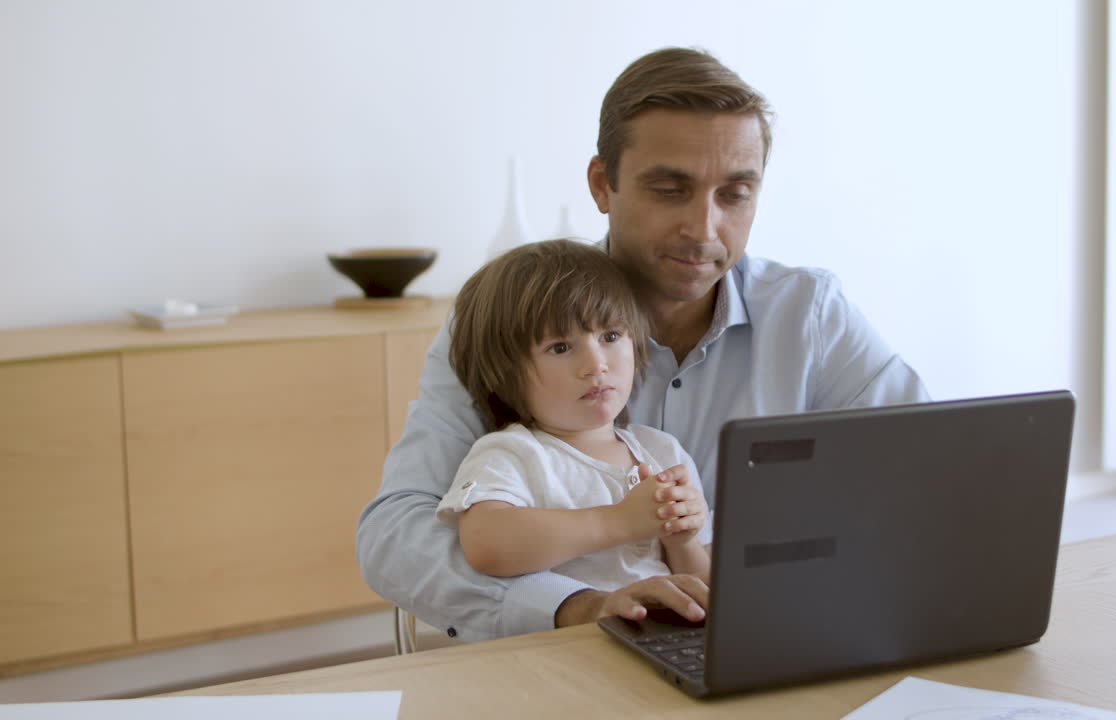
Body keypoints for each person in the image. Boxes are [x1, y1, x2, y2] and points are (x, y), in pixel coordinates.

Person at [356, 46, 929, 642]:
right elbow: (394, 537)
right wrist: (577, 606)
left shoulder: (810, 315)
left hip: (753, 646)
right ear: (604, 185)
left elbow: (927, 477)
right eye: (670, 189)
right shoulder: (511, 319)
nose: (704, 230)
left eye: (734, 194)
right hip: (548, 666)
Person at [437, 239, 711, 592]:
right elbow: (485, 544)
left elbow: (701, 586)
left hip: (660, 638)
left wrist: (682, 543)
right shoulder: (512, 453)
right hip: (570, 641)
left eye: (610, 335)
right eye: (560, 347)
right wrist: (619, 522)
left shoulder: (661, 451)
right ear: (505, 373)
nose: (596, 364)